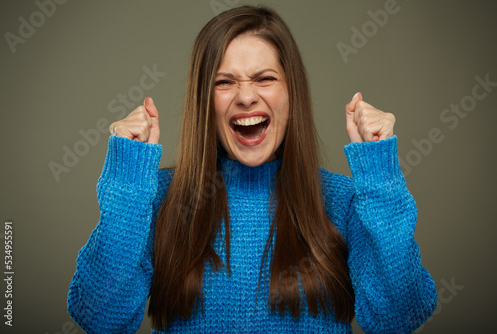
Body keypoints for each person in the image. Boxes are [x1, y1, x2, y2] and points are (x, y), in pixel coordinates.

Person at [67, 5, 437, 334]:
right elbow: (101, 319)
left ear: (292, 94)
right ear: (204, 101)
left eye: (265, 79)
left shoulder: (344, 202)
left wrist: (379, 172)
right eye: (224, 82)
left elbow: (398, 318)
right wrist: (130, 179)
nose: (245, 97)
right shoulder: (161, 198)